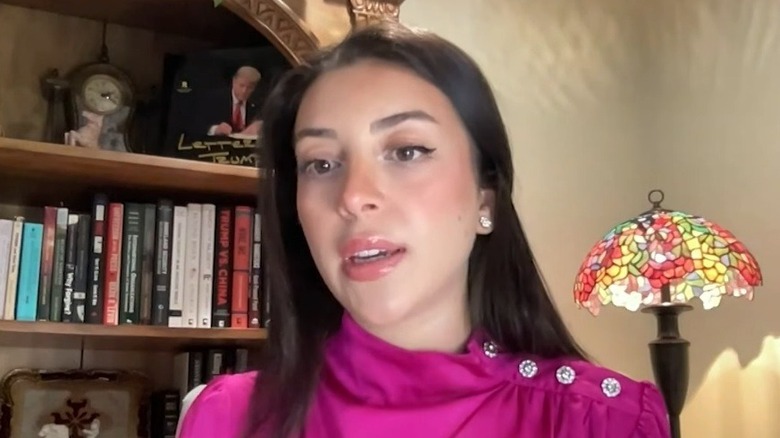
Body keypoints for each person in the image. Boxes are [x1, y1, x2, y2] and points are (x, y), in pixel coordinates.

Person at [177, 21, 671, 438]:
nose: (353, 197)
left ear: (486, 198)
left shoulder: (605, 422)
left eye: (407, 151)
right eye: (321, 164)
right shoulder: (229, 419)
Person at [204, 65, 262, 136]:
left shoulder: (258, 103)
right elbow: (199, 126)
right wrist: (215, 129)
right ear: (234, 81)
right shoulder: (214, 99)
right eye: (241, 85)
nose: (244, 91)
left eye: (249, 88)